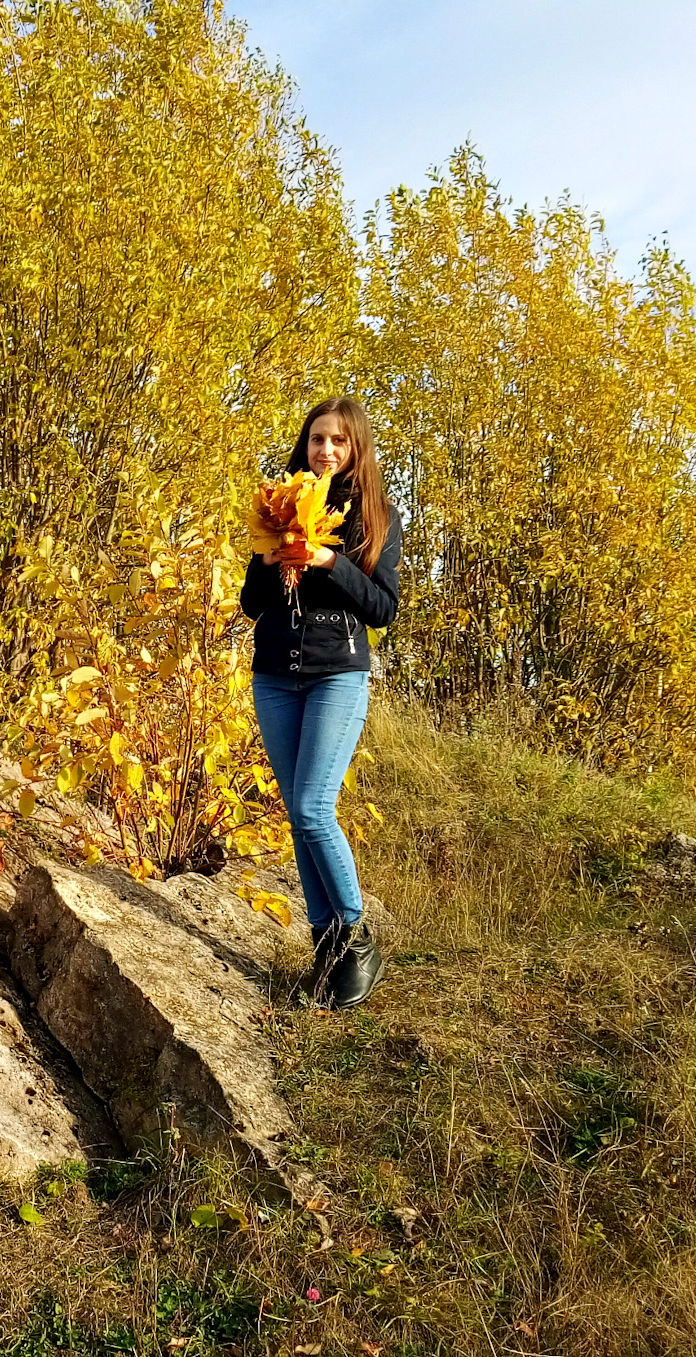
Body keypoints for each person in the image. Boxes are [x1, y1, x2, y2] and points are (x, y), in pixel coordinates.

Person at [239, 397, 402, 1010]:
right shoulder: (278, 508)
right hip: (276, 676)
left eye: (337, 440)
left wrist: (330, 561)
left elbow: (383, 609)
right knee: (296, 815)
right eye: (315, 440)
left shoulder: (377, 519)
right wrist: (271, 557)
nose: (325, 450)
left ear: (355, 448)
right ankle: (326, 945)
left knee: (312, 807)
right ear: (303, 447)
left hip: (338, 675)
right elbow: (252, 605)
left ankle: (357, 939)